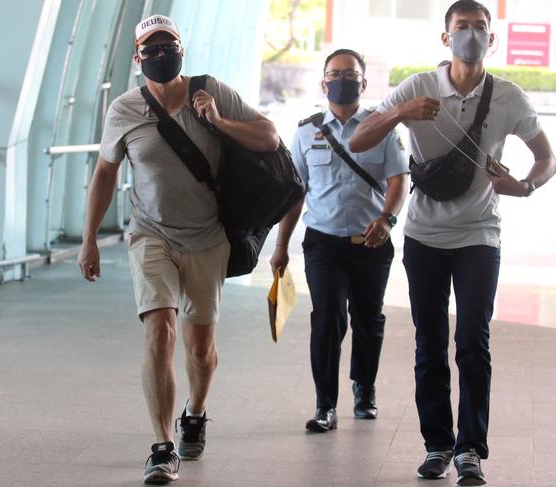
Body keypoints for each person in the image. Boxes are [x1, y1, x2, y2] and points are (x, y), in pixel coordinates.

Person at [350, 1, 556, 485]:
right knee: (430, 342)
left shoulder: (508, 96)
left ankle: (471, 450)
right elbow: (359, 139)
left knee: (473, 341)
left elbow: (547, 157)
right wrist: (401, 111)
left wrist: (526, 185)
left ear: (492, 38)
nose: (470, 34)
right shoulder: (418, 86)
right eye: (461, 27)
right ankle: (438, 445)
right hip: (424, 235)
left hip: (480, 234)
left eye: (479, 28)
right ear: (445, 38)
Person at [78, 14, 278, 485]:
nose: (162, 54)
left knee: (201, 349)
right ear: (137, 57)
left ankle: (196, 410)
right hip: (150, 234)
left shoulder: (212, 91)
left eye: (170, 45)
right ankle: (162, 447)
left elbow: (269, 138)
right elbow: (105, 173)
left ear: (182, 49)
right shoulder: (124, 110)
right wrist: (89, 241)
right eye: (152, 47)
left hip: (208, 236)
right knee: (160, 330)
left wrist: (220, 121)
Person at [270, 49, 408, 433]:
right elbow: (296, 193)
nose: (342, 79)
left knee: (368, 318)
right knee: (327, 318)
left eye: (350, 74)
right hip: (323, 243)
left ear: (363, 83)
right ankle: (325, 405)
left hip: (372, 241)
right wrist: (281, 246)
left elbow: (399, 179)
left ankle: (364, 388)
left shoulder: (384, 128)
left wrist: (387, 219)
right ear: (323, 82)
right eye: (334, 73)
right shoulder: (305, 131)